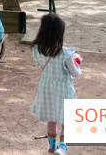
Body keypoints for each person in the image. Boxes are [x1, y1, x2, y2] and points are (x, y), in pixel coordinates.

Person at [31, 13, 82, 155]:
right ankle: (63, 147)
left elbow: (41, 65)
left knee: (51, 118)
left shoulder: (37, 50)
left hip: (46, 87)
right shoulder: (65, 53)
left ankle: (52, 147)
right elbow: (75, 73)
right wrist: (78, 66)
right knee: (67, 119)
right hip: (63, 89)